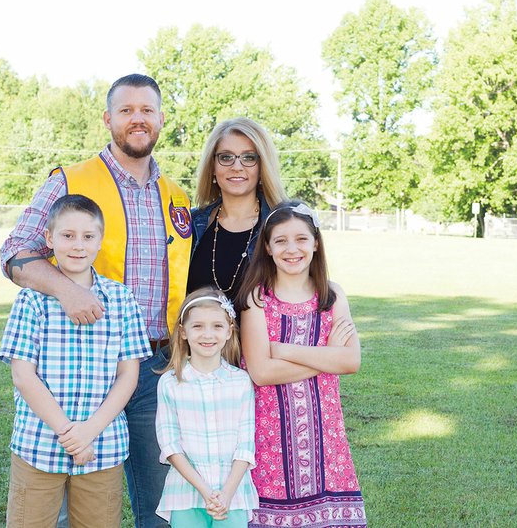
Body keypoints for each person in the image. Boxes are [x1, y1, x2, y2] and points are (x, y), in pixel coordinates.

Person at [0, 74, 191, 527]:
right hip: (77, 363)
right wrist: (68, 289)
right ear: (108, 119)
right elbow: (15, 250)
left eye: (147, 110)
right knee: (65, 495)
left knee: (160, 503)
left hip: (152, 366)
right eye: (126, 110)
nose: (137, 118)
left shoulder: (176, 197)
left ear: (161, 119)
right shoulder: (71, 180)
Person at [0, 194, 152, 527]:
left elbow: (128, 374)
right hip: (38, 445)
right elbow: (24, 376)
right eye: (67, 236)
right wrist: (69, 433)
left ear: (100, 240)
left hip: (102, 446)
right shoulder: (30, 300)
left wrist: (90, 432)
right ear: (50, 239)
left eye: (87, 236)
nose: (78, 245)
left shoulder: (121, 299)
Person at [235, 201, 367, 526]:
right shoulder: (257, 298)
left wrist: (280, 349)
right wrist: (327, 357)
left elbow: (350, 360)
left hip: (324, 430)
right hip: (270, 433)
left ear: (316, 243)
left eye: (301, 239)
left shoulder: (332, 296)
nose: (292, 249)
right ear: (267, 247)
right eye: (280, 240)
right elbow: (262, 373)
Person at [155, 287, 258, 526]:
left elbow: (245, 445)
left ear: (229, 331)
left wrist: (226, 494)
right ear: (183, 332)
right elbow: (170, 446)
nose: (207, 335)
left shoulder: (241, 381)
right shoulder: (170, 383)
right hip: (186, 493)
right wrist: (205, 491)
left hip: (233, 494)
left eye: (217, 326)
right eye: (198, 326)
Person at [188, 117, 287, 302]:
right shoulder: (190, 224)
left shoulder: (285, 224)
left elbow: (312, 288)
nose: (236, 167)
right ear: (212, 167)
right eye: (226, 157)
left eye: (249, 157)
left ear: (262, 166)